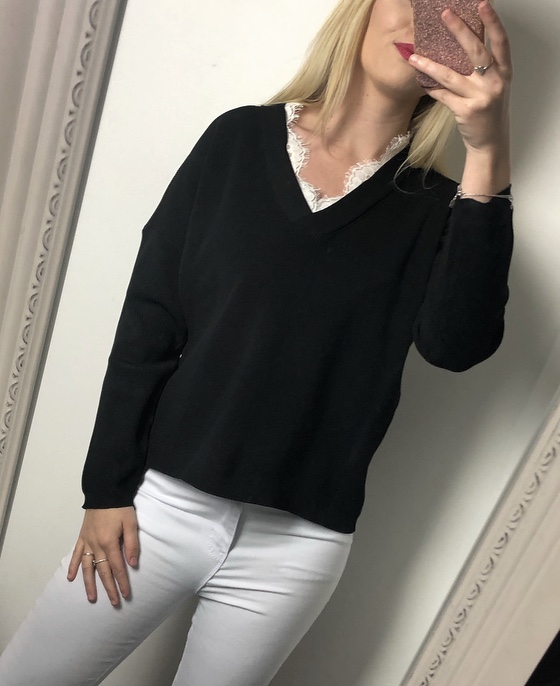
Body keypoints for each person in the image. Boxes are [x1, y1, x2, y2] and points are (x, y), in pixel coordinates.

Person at [0, 0, 514, 684]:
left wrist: (487, 149)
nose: (427, 19)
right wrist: (105, 489)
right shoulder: (238, 141)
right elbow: (151, 318)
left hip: (297, 549)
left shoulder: (442, 208)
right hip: (157, 509)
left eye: (454, 8)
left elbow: (456, 345)